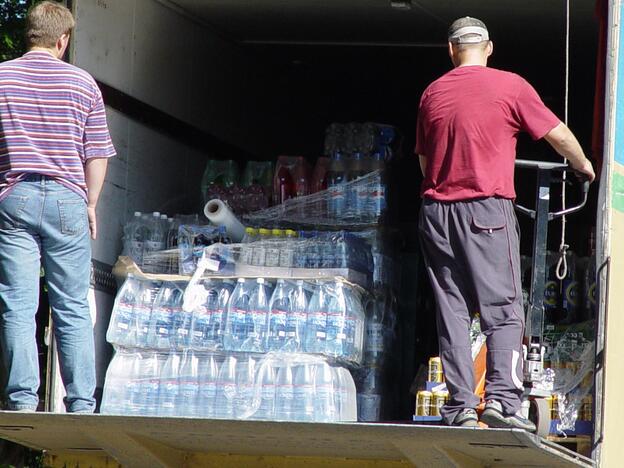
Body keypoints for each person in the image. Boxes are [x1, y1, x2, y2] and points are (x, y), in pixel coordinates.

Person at [415, 17, 595, 430]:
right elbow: (557, 134)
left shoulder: (432, 93)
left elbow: (425, 162)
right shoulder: (510, 86)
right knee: (504, 309)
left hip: (437, 214)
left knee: (453, 312)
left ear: (450, 50)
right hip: (486, 212)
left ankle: (459, 407)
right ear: (489, 48)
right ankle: (502, 402)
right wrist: (584, 165)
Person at [0, 1, 115, 412]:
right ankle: (82, 403)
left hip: (14, 198)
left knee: (18, 302)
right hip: (68, 199)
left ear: (30, 33)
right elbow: (97, 153)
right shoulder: (84, 84)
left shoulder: (1, 77)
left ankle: (21, 400)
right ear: (62, 39)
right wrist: (91, 203)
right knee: (71, 306)